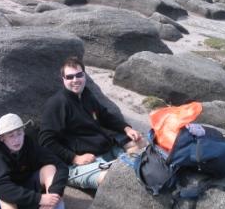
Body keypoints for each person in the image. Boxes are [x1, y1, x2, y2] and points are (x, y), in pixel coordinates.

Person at [39, 56, 145, 190]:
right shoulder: (57, 104)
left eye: (79, 75)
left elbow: (104, 116)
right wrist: (74, 158)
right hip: (79, 164)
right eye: (70, 77)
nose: (75, 80)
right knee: (114, 181)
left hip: (105, 149)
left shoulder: (86, 94)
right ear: (63, 79)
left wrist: (126, 128)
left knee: (141, 144)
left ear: (84, 75)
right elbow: (46, 141)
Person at [0, 113, 69, 209]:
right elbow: (0, 187)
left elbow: (61, 166)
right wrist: (39, 199)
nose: (17, 140)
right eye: (11, 136)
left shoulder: (29, 145)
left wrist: (54, 194)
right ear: (2, 138)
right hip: (6, 198)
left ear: (23, 132)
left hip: (28, 189)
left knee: (50, 168)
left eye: (19, 133)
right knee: (3, 195)